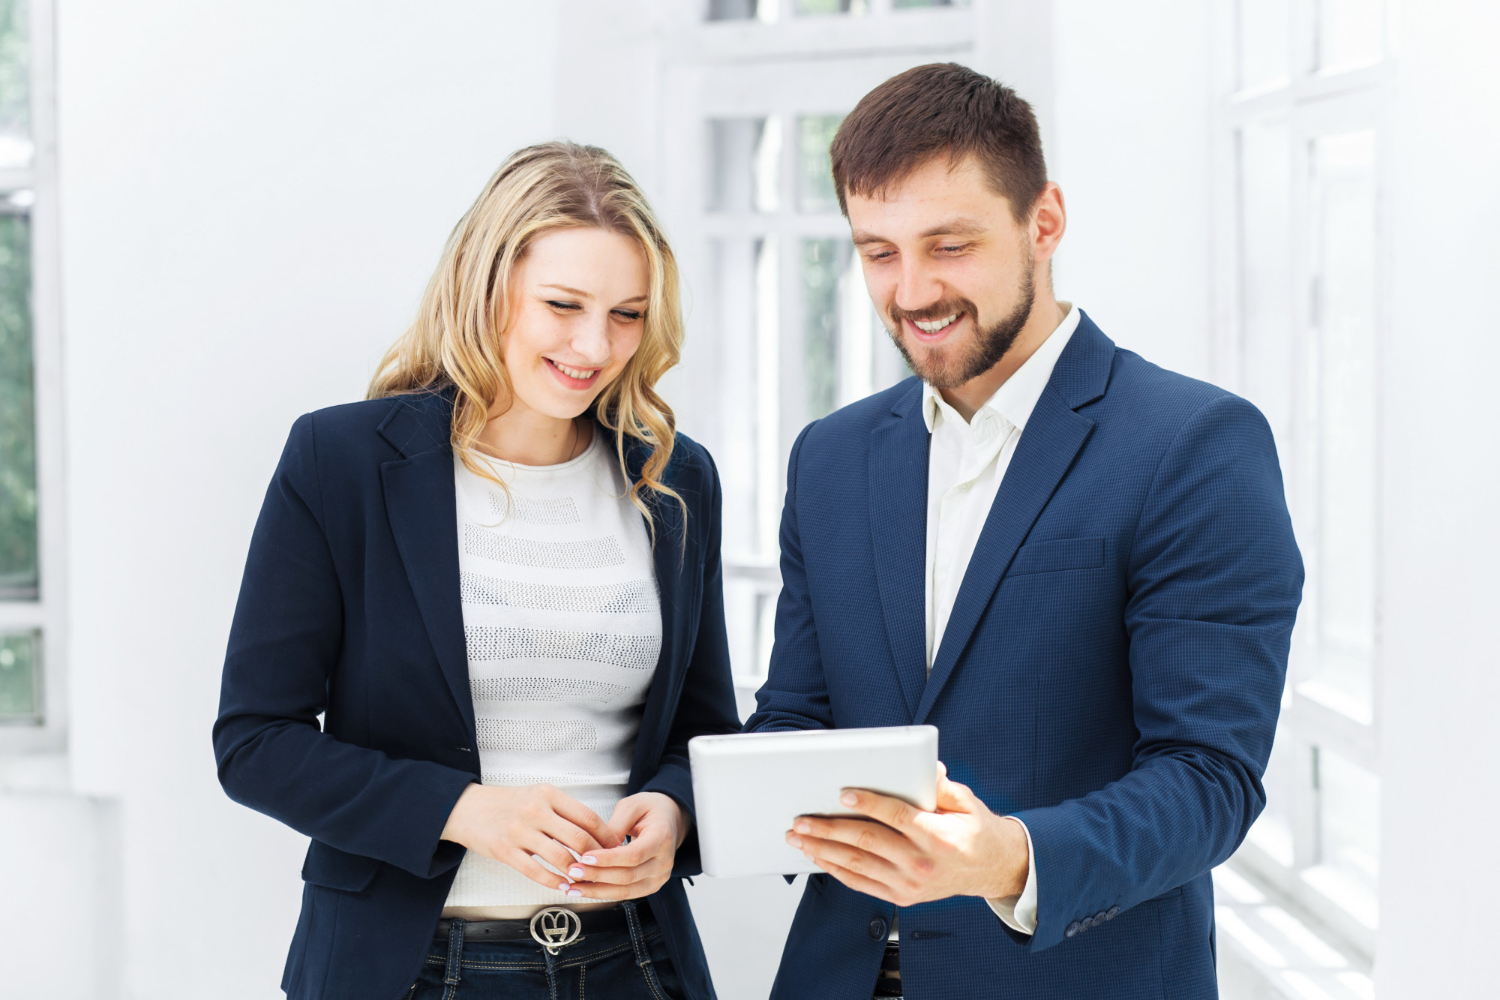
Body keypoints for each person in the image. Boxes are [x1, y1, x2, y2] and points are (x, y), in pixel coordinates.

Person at [744, 63, 1304, 999]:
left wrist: (1007, 857)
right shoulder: (831, 458)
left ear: (1043, 223)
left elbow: (1210, 777)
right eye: (878, 251)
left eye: (948, 245)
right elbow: (799, 717)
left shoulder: (1194, 444)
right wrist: (688, 812)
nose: (910, 290)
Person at [214, 141, 738, 1000]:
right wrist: (465, 810)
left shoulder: (676, 480)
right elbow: (255, 743)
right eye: (563, 305)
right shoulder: (340, 461)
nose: (594, 344)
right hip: (413, 970)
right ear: (488, 286)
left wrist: (677, 815)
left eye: (628, 314)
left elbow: (703, 731)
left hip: (636, 965)